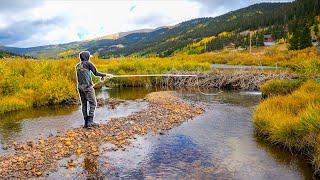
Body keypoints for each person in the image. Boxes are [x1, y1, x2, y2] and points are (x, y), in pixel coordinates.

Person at [76, 51, 111, 128]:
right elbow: (96, 73)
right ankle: (90, 122)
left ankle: (86, 123)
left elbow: (82, 77)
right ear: (86, 57)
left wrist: (101, 78)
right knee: (93, 103)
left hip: (80, 87)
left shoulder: (77, 66)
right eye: (89, 56)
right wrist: (106, 75)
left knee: (84, 104)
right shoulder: (88, 64)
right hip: (88, 87)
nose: (89, 58)